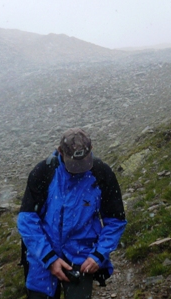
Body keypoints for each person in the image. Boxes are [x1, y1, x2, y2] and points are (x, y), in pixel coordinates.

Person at [17, 128, 127, 299]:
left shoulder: (101, 173)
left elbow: (116, 220)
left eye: (84, 161)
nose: (80, 169)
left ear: (91, 149)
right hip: (42, 260)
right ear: (60, 152)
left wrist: (98, 255)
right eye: (74, 164)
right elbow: (26, 220)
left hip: (81, 258)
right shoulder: (44, 172)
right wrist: (49, 259)